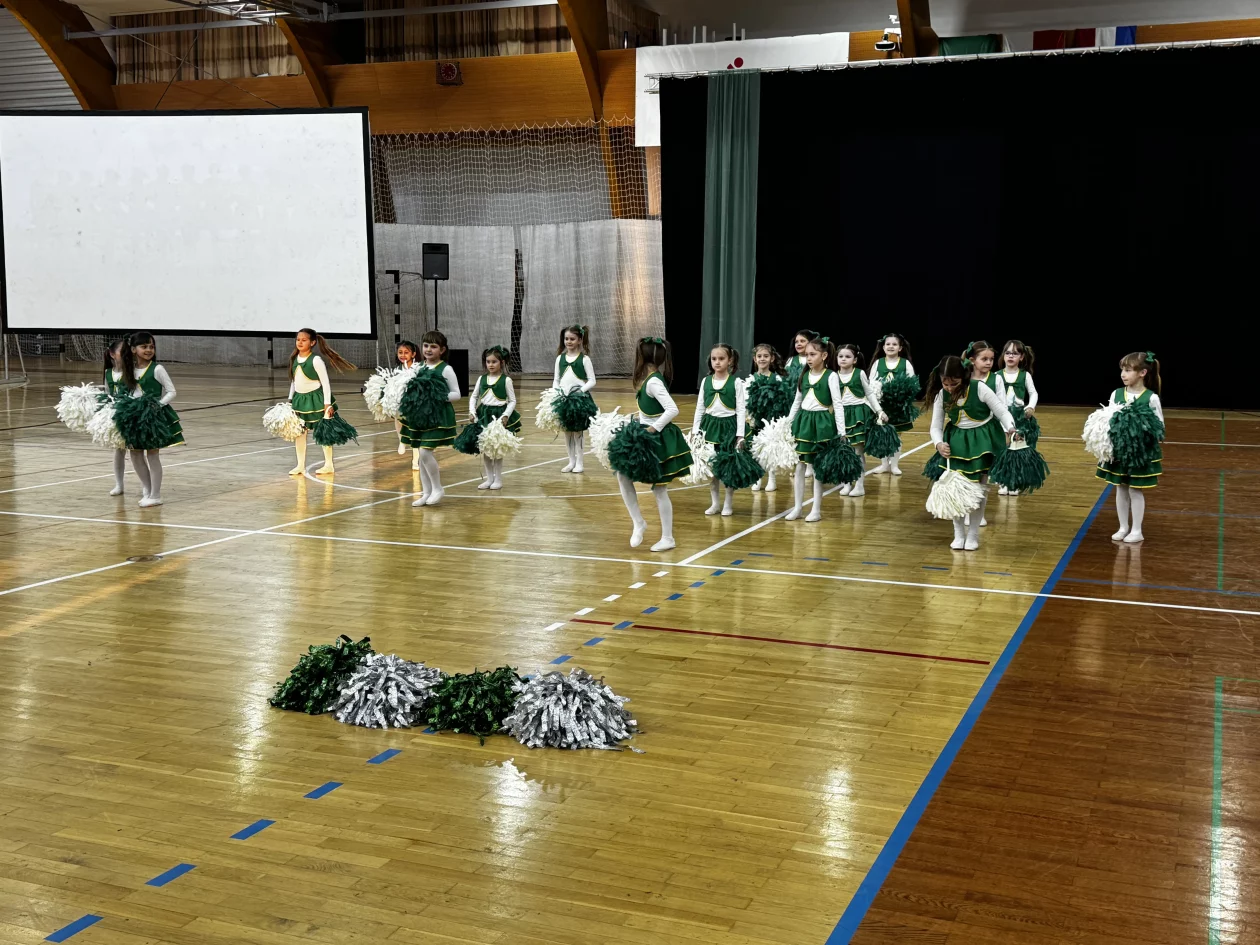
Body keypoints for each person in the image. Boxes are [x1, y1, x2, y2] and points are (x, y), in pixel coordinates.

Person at [925, 354, 1018, 550]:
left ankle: (973, 534)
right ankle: (958, 534)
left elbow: (1002, 411)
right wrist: (938, 444)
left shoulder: (980, 388)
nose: (950, 388)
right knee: (955, 490)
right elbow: (935, 427)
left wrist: (1011, 427)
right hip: (956, 442)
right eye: (945, 383)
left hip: (984, 440)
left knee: (979, 490)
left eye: (955, 383)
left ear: (965, 377)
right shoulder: (942, 395)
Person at [610, 337, 692, 551]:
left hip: (658, 439)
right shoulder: (651, 379)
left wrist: (652, 428)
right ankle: (639, 522)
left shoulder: (654, 382)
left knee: (659, 489)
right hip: (646, 434)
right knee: (622, 474)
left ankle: (668, 537)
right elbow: (650, 411)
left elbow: (672, 409)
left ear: (642, 357)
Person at [1096, 351, 1164, 543]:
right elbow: (1107, 420)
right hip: (1119, 453)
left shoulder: (1151, 398)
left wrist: (1141, 432)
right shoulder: (1116, 394)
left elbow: (1160, 427)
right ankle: (1123, 526)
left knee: (1135, 490)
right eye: (1122, 370)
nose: (1123, 374)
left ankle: (1137, 530)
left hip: (1139, 454)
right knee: (1120, 488)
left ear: (1142, 373)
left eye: (1128, 370)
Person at [785, 336, 845, 522]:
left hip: (822, 424)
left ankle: (816, 509)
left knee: (818, 467)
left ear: (824, 355)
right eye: (807, 355)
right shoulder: (804, 375)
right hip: (803, 422)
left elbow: (838, 404)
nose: (808, 358)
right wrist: (786, 423)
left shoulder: (831, 376)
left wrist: (842, 431)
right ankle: (797, 507)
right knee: (800, 466)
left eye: (813, 354)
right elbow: (797, 401)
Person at [120, 332, 184, 508]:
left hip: (152, 417)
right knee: (135, 453)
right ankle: (147, 489)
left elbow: (172, 391)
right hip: (134, 417)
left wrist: (158, 405)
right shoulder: (129, 370)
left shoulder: (157, 369)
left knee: (153, 455)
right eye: (144, 346)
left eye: (151, 346)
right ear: (133, 349)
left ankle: (156, 494)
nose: (149, 350)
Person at [288, 328, 356, 478]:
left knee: (324, 432)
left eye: (304, 340)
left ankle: (329, 464)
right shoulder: (294, 358)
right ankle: (300, 465)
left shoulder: (316, 360)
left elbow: (325, 383)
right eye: (298, 339)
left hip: (316, 400)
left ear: (312, 342)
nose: (300, 342)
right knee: (299, 433)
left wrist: (327, 404)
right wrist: (290, 400)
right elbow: (293, 381)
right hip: (299, 400)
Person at [407, 330, 461, 507]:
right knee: (421, 457)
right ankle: (426, 492)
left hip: (438, 416)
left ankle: (437, 488)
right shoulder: (418, 367)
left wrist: (436, 396)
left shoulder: (446, 369)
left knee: (424, 452)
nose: (429, 349)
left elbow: (457, 394)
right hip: (420, 417)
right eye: (426, 345)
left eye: (434, 346)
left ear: (442, 349)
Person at [691, 343, 747, 517]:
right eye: (714, 359)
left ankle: (728, 503)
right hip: (709, 428)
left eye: (721, 359)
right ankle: (715, 503)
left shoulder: (736, 382)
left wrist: (740, 435)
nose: (717, 362)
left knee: (728, 468)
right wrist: (695, 431)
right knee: (712, 467)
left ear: (729, 361)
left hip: (728, 428)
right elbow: (700, 407)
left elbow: (741, 410)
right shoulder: (706, 381)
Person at [835, 343, 887, 499]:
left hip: (858, 414)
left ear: (855, 360)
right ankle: (846, 483)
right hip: (841, 415)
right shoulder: (833, 376)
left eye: (847, 356)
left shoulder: (859, 374)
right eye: (841, 356)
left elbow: (870, 394)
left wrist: (879, 411)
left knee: (857, 451)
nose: (843, 359)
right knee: (844, 450)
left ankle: (859, 485)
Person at [469, 345, 521, 491]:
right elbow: (474, 397)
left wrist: (505, 416)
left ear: (502, 363)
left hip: (499, 416)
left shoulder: (506, 380)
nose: (490, 365)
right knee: (486, 448)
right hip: (484, 414)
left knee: (497, 448)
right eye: (488, 361)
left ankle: (498, 479)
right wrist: (472, 411)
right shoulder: (481, 378)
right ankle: (489, 478)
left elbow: (512, 401)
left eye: (494, 362)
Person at [869, 332, 916, 475]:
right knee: (883, 434)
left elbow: (912, 383)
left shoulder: (905, 363)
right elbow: (871, 383)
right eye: (888, 344)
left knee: (897, 435)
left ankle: (894, 465)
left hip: (897, 406)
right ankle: (884, 464)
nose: (891, 346)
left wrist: (903, 395)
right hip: (881, 406)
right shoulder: (878, 363)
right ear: (883, 347)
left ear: (900, 348)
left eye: (894, 344)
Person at [552, 325, 597, 474]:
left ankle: (580, 462)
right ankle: (571, 461)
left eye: (572, 339)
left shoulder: (585, 359)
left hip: (578, 401)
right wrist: (556, 393)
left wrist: (579, 392)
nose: (568, 342)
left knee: (578, 432)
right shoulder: (560, 358)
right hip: (563, 400)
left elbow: (592, 381)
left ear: (579, 340)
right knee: (567, 431)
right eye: (566, 339)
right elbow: (556, 379)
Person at [745, 343, 789, 492]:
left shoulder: (777, 379)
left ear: (772, 358)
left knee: (769, 448)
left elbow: (782, 401)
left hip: (771, 421)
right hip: (754, 420)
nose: (762, 359)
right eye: (759, 356)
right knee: (755, 448)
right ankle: (758, 477)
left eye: (766, 356)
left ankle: (772, 478)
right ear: (754, 359)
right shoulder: (750, 380)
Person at [998, 339, 1040, 495]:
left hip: (1019, 418)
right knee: (1004, 448)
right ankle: (1003, 481)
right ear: (1003, 355)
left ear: (1021, 357)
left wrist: (1030, 407)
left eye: (1015, 353)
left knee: (1016, 449)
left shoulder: (1025, 375)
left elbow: (1033, 393)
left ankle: (1014, 481)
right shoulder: (996, 376)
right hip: (1001, 417)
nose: (1010, 356)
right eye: (1007, 353)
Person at [102, 339, 131, 498]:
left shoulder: (133, 372)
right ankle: (119, 484)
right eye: (123, 352)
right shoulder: (108, 373)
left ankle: (148, 487)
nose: (127, 355)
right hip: (117, 414)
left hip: (132, 413)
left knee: (138, 452)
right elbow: (108, 394)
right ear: (112, 354)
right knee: (119, 450)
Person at [394, 340, 420, 458]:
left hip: (416, 404)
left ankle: (416, 458)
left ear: (413, 354)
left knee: (415, 427)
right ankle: (402, 441)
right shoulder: (397, 370)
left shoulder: (419, 368)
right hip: (401, 403)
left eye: (406, 352)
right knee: (397, 417)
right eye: (400, 352)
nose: (403, 355)